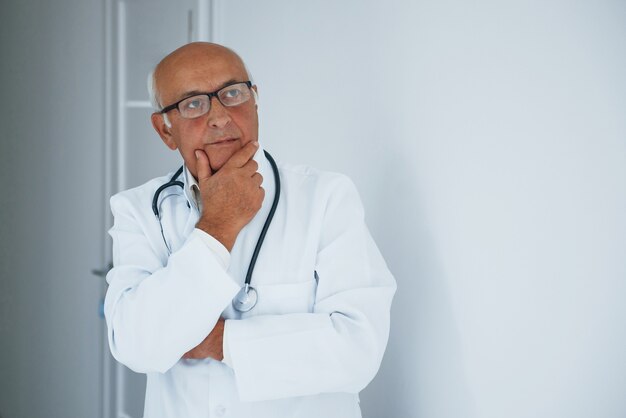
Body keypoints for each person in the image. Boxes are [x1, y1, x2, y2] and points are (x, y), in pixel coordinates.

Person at [104, 42, 396, 418]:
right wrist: (217, 226)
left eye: (232, 93)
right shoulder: (138, 210)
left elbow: (359, 350)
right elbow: (136, 346)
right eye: (193, 102)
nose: (220, 116)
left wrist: (221, 342)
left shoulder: (326, 197)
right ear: (165, 130)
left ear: (255, 100)